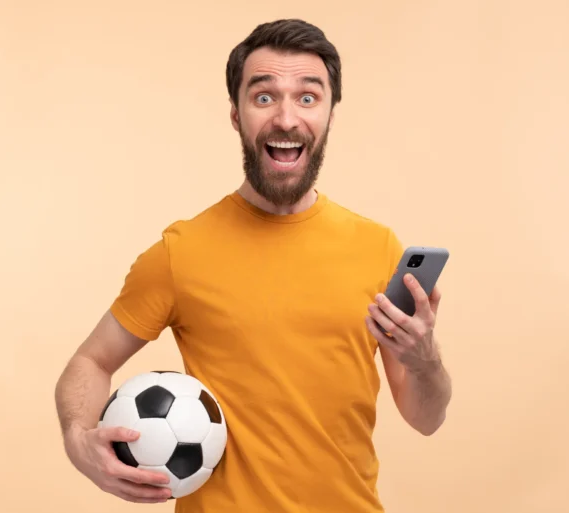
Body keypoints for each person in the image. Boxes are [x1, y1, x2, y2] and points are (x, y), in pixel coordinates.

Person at [54, 18, 452, 512]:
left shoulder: (378, 248)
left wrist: (425, 360)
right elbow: (89, 362)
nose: (286, 118)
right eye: (264, 97)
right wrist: (79, 441)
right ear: (236, 115)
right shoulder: (182, 252)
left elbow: (425, 417)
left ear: (330, 113)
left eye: (308, 97)